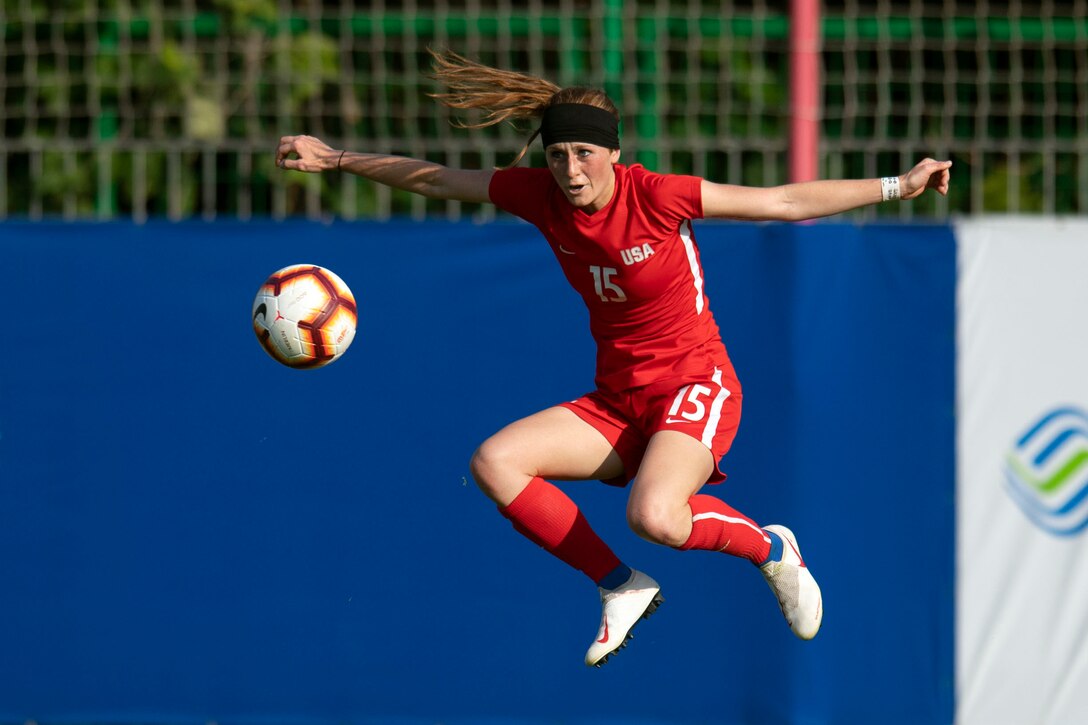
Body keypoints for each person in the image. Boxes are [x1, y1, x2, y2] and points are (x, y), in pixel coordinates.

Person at [276, 50, 952, 667]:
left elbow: (781, 201)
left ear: (615, 153)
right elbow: (440, 179)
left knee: (655, 515)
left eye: (584, 154)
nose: (570, 170)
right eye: (558, 154)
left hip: (696, 382)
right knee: (495, 461)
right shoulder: (540, 197)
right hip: (621, 399)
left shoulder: (656, 196)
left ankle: (774, 548)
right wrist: (337, 159)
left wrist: (900, 185)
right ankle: (620, 584)